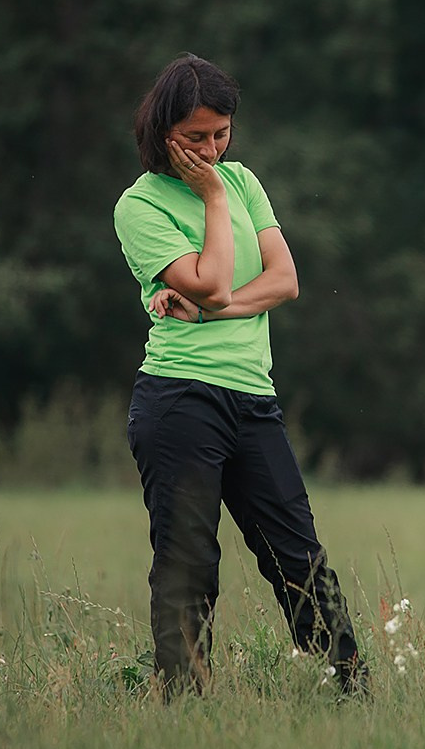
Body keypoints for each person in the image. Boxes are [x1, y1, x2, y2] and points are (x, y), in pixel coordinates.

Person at [112, 54, 363, 694]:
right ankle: (184, 702)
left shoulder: (246, 180)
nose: (213, 149)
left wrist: (209, 310)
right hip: (178, 399)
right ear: (163, 129)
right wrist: (212, 198)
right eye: (196, 137)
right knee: (190, 564)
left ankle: (352, 688)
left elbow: (286, 280)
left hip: (253, 398)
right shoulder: (139, 206)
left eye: (221, 134)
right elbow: (216, 278)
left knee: (298, 555)